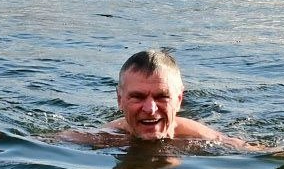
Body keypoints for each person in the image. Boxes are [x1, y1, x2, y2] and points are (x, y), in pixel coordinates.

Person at [59, 48, 264, 150]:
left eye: (161, 97)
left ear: (179, 99)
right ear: (119, 99)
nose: (150, 108)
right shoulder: (103, 138)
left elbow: (255, 152)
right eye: (137, 97)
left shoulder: (204, 139)